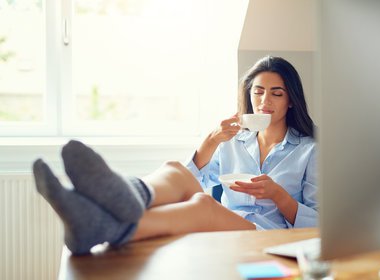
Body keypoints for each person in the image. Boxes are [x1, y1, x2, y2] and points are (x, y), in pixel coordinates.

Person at [32, 56, 317, 255]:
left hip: (269, 237)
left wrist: (278, 194)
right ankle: (123, 199)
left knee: (203, 205)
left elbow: (318, 224)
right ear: (249, 95)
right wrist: (210, 140)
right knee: (175, 169)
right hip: (230, 226)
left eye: (276, 94)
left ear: (290, 100)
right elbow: (186, 183)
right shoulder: (233, 141)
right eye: (258, 92)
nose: (264, 102)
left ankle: (102, 221)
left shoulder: (309, 150)